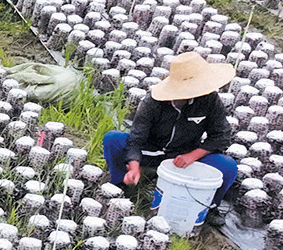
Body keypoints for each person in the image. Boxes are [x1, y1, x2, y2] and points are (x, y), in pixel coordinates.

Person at [102, 51, 238, 215]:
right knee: (113, 139)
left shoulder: (209, 100)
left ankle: (209, 207)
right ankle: (120, 183)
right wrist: (134, 165)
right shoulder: (152, 102)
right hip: (151, 151)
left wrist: (192, 155)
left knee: (227, 166)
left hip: (184, 156)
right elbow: (136, 139)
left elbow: (221, 136)